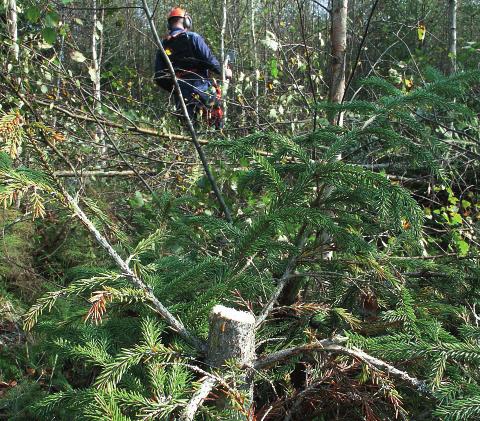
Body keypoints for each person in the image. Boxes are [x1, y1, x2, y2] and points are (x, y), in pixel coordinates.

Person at [154, 7, 232, 128]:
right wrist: (224, 72)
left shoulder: (163, 45)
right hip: (200, 88)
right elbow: (210, 61)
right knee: (216, 122)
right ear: (186, 21)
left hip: (180, 93)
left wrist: (175, 88)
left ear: (169, 24)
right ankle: (219, 140)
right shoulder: (193, 38)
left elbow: (159, 77)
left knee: (188, 131)